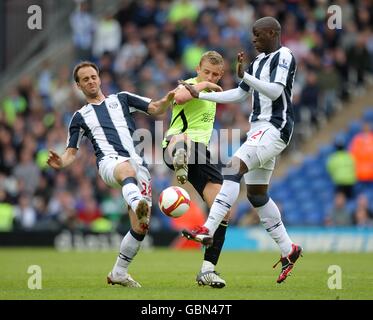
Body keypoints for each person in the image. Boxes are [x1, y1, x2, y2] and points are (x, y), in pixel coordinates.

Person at [180, 17, 302, 284]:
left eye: (258, 35)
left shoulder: (284, 55)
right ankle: (289, 249)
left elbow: (274, 91)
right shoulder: (257, 63)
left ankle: (207, 228)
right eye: (253, 35)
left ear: (272, 32)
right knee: (257, 196)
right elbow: (238, 94)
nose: (254, 39)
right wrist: (201, 95)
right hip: (259, 128)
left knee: (233, 168)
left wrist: (246, 76)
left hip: (274, 126)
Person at [47, 61, 175, 287]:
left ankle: (119, 272)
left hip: (138, 167)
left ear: (99, 78)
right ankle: (136, 202)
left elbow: (157, 108)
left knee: (141, 227)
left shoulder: (122, 98)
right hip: (109, 163)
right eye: (85, 79)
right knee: (125, 169)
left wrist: (171, 97)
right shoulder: (80, 116)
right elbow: (71, 152)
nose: (91, 81)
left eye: (93, 77)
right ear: (78, 86)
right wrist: (61, 162)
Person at [162, 51, 230, 288]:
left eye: (215, 74)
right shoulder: (191, 84)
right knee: (183, 139)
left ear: (221, 75)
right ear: (197, 68)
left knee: (223, 209)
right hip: (175, 146)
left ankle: (207, 270)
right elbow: (179, 98)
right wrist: (204, 84)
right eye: (206, 71)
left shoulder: (213, 94)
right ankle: (181, 157)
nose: (210, 76)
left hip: (201, 157)